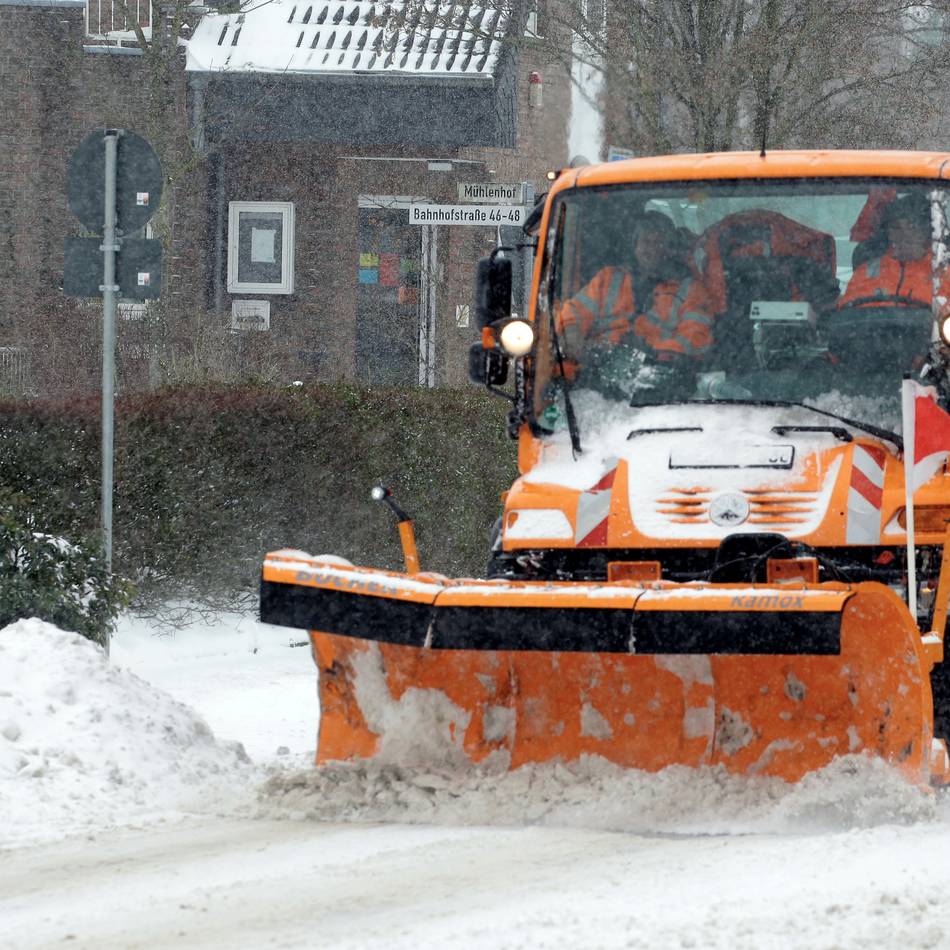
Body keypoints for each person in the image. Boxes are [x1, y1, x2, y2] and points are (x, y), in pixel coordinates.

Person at [557, 212, 717, 363]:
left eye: (659, 243)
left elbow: (696, 337)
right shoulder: (607, 278)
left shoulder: (692, 290)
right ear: (634, 245)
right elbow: (574, 311)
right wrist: (572, 331)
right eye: (646, 242)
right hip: (597, 366)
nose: (652, 249)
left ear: (670, 249)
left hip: (658, 375)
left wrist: (652, 354)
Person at [840, 192, 949, 308]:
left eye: (912, 227)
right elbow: (845, 314)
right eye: (896, 228)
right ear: (889, 234)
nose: (904, 234)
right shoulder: (864, 273)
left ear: (927, 232)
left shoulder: (944, 275)